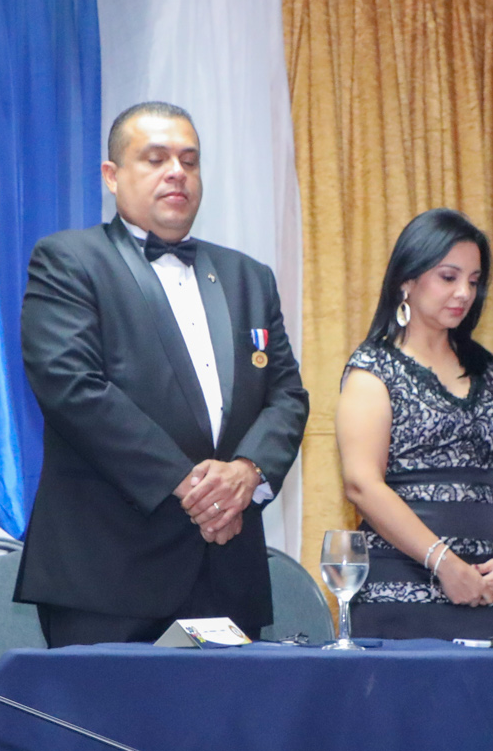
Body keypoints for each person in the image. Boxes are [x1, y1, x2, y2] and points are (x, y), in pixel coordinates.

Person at [16, 102, 310, 645]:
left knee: (230, 706)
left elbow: (287, 395)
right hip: (108, 574)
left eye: (189, 161)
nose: (177, 172)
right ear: (112, 175)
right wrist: (198, 488)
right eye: (155, 159)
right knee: (107, 707)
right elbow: (72, 386)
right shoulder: (68, 260)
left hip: (227, 568)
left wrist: (247, 471)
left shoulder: (249, 276)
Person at [335, 209, 493, 639]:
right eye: (448, 277)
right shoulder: (373, 368)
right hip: (399, 590)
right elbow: (362, 485)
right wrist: (444, 563)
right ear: (407, 280)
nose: (464, 292)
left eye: (474, 281)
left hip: (486, 592)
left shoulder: (488, 371)